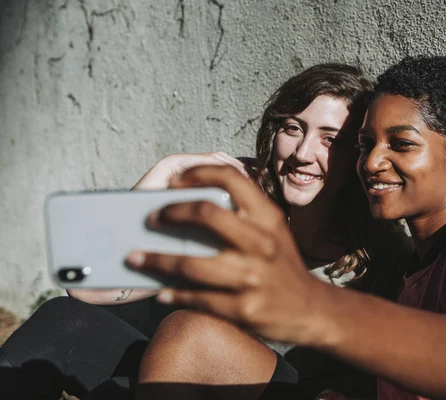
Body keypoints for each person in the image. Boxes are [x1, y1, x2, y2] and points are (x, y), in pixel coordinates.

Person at [128, 56, 446, 399]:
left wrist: (311, 306)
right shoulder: (415, 266)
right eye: (366, 143)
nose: (373, 162)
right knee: (187, 337)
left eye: (401, 144)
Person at [0, 63, 405, 400]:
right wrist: (168, 169)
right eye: (293, 128)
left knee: (159, 358)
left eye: (330, 140)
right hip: (182, 373)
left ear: (359, 153)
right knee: (64, 319)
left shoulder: (379, 251)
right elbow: (87, 286)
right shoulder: (238, 205)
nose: (302, 154)